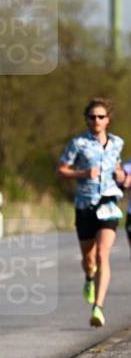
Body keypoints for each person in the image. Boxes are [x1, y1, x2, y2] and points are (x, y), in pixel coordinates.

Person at [57, 98, 125, 327]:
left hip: (108, 204)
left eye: (101, 116)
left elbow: (117, 167)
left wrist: (121, 176)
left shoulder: (117, 143)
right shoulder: (78, 143)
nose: (97, 120)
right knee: (89, 259)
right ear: (87, 119)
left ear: (108, 120)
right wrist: (83, 174)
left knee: (102, 254)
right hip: (85, 205)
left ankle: (98, 307)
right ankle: (89, 277)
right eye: (92, 117)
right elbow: (62, 169)